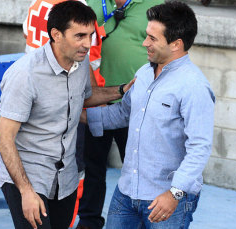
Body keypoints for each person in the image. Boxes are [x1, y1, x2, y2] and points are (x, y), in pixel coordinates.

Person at [0, 1, 133, 229]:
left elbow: (84, 97)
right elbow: (4, 139)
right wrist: (26, 192)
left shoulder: (80, 60)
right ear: (56, 35)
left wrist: (121, 90)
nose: (87, 44)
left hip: (65, 179)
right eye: (79, 36)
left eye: (90, 36)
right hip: (29, 177)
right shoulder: (25, 74)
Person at [81, 1, 215, 229]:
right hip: (126, 193)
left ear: (176, 44)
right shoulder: (144, 73)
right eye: (146, 36)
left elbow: (199, 147)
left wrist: (174, 194)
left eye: (152, 38)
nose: (145, 43)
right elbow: (123, 114)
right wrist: (75, 116)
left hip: (167, 200)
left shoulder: (194, 87)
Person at [76, 1, 163, 228]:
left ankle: (142, 221)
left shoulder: (155, 5)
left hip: (135, 106)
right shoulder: (90, 3)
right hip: (94, 102)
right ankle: (88, 221)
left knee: (137, 168)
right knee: (92, 168)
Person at [22, 0, 105, 227]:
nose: (85, 42)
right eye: (81, 36)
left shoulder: (36, 3)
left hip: (43, 99)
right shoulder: (80, 7)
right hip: (65, 97)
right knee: (75, 169)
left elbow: (26, 36)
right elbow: (92, 59)